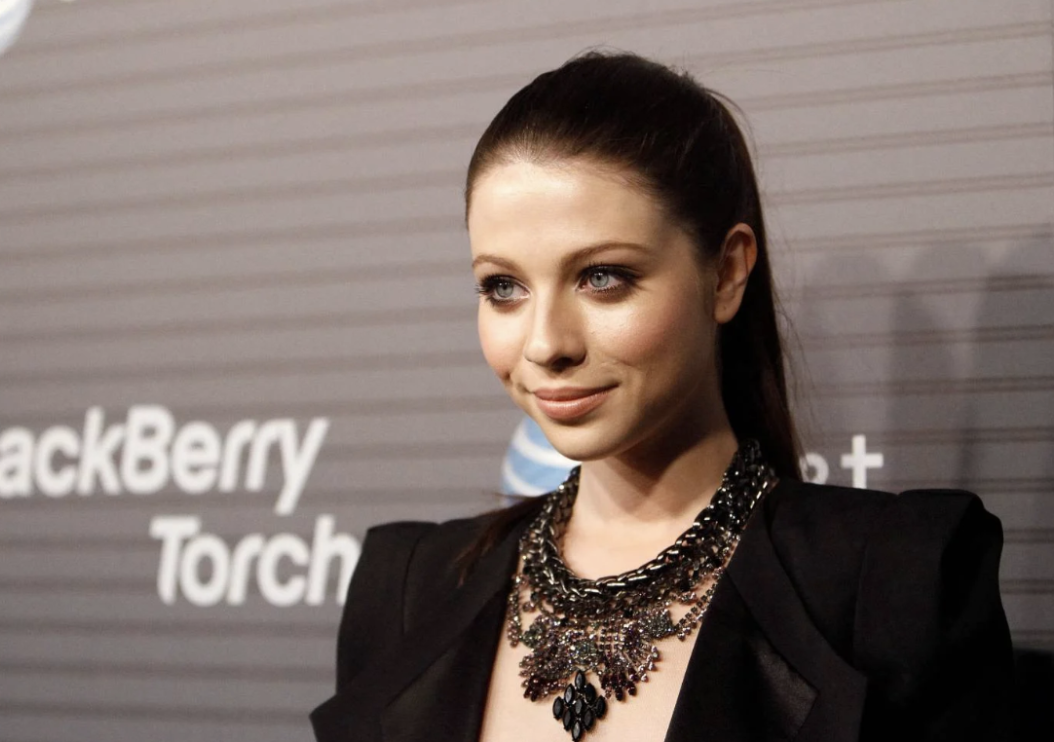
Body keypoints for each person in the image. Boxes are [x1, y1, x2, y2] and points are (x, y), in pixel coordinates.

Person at [309, 49, 1014, 742]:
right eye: (504, 287)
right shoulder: (407, 592)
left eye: (603, 277)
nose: (546, 343)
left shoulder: (890, 585)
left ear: (727, 273)